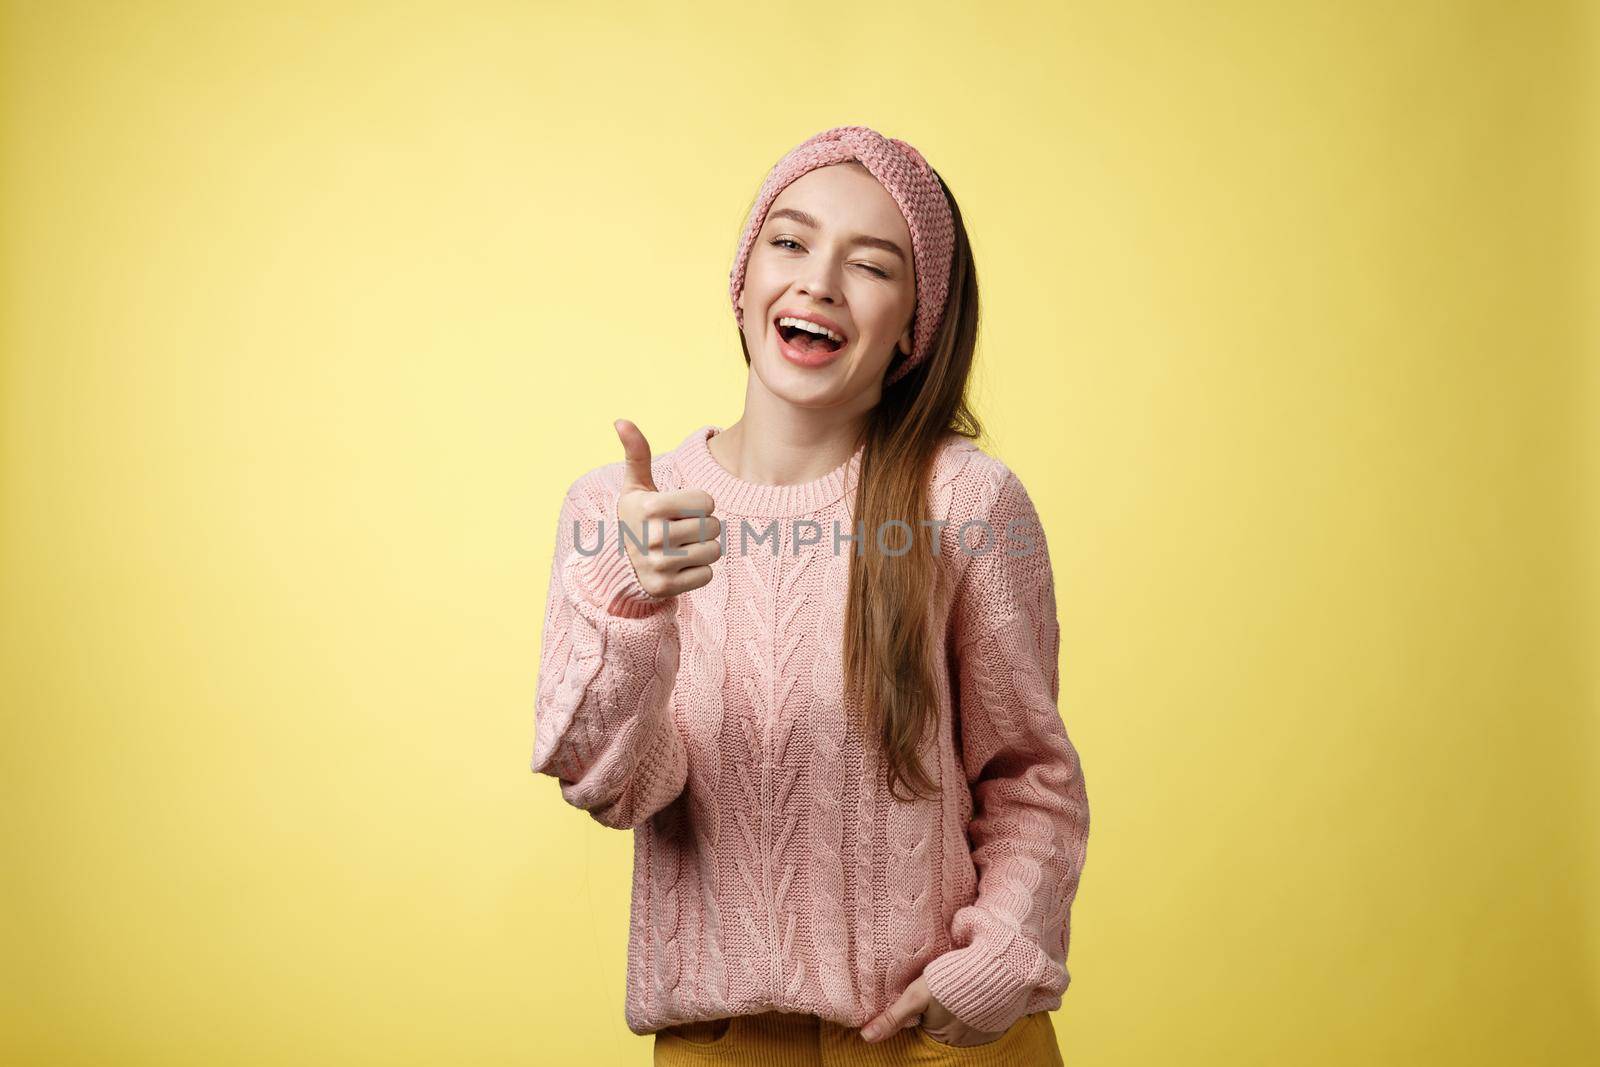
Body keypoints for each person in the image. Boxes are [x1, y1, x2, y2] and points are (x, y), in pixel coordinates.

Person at [530, 125, 1089, 1065]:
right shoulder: (621, 510)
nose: (819, 282)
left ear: (916, 323)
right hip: (723, 1045)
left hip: (935, 1042)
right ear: (744, 280)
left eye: (870, 265)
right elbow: (613, 784)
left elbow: (1032, 776)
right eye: (789, 242)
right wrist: (634, 600)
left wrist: (996, 960)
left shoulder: (965, 502)